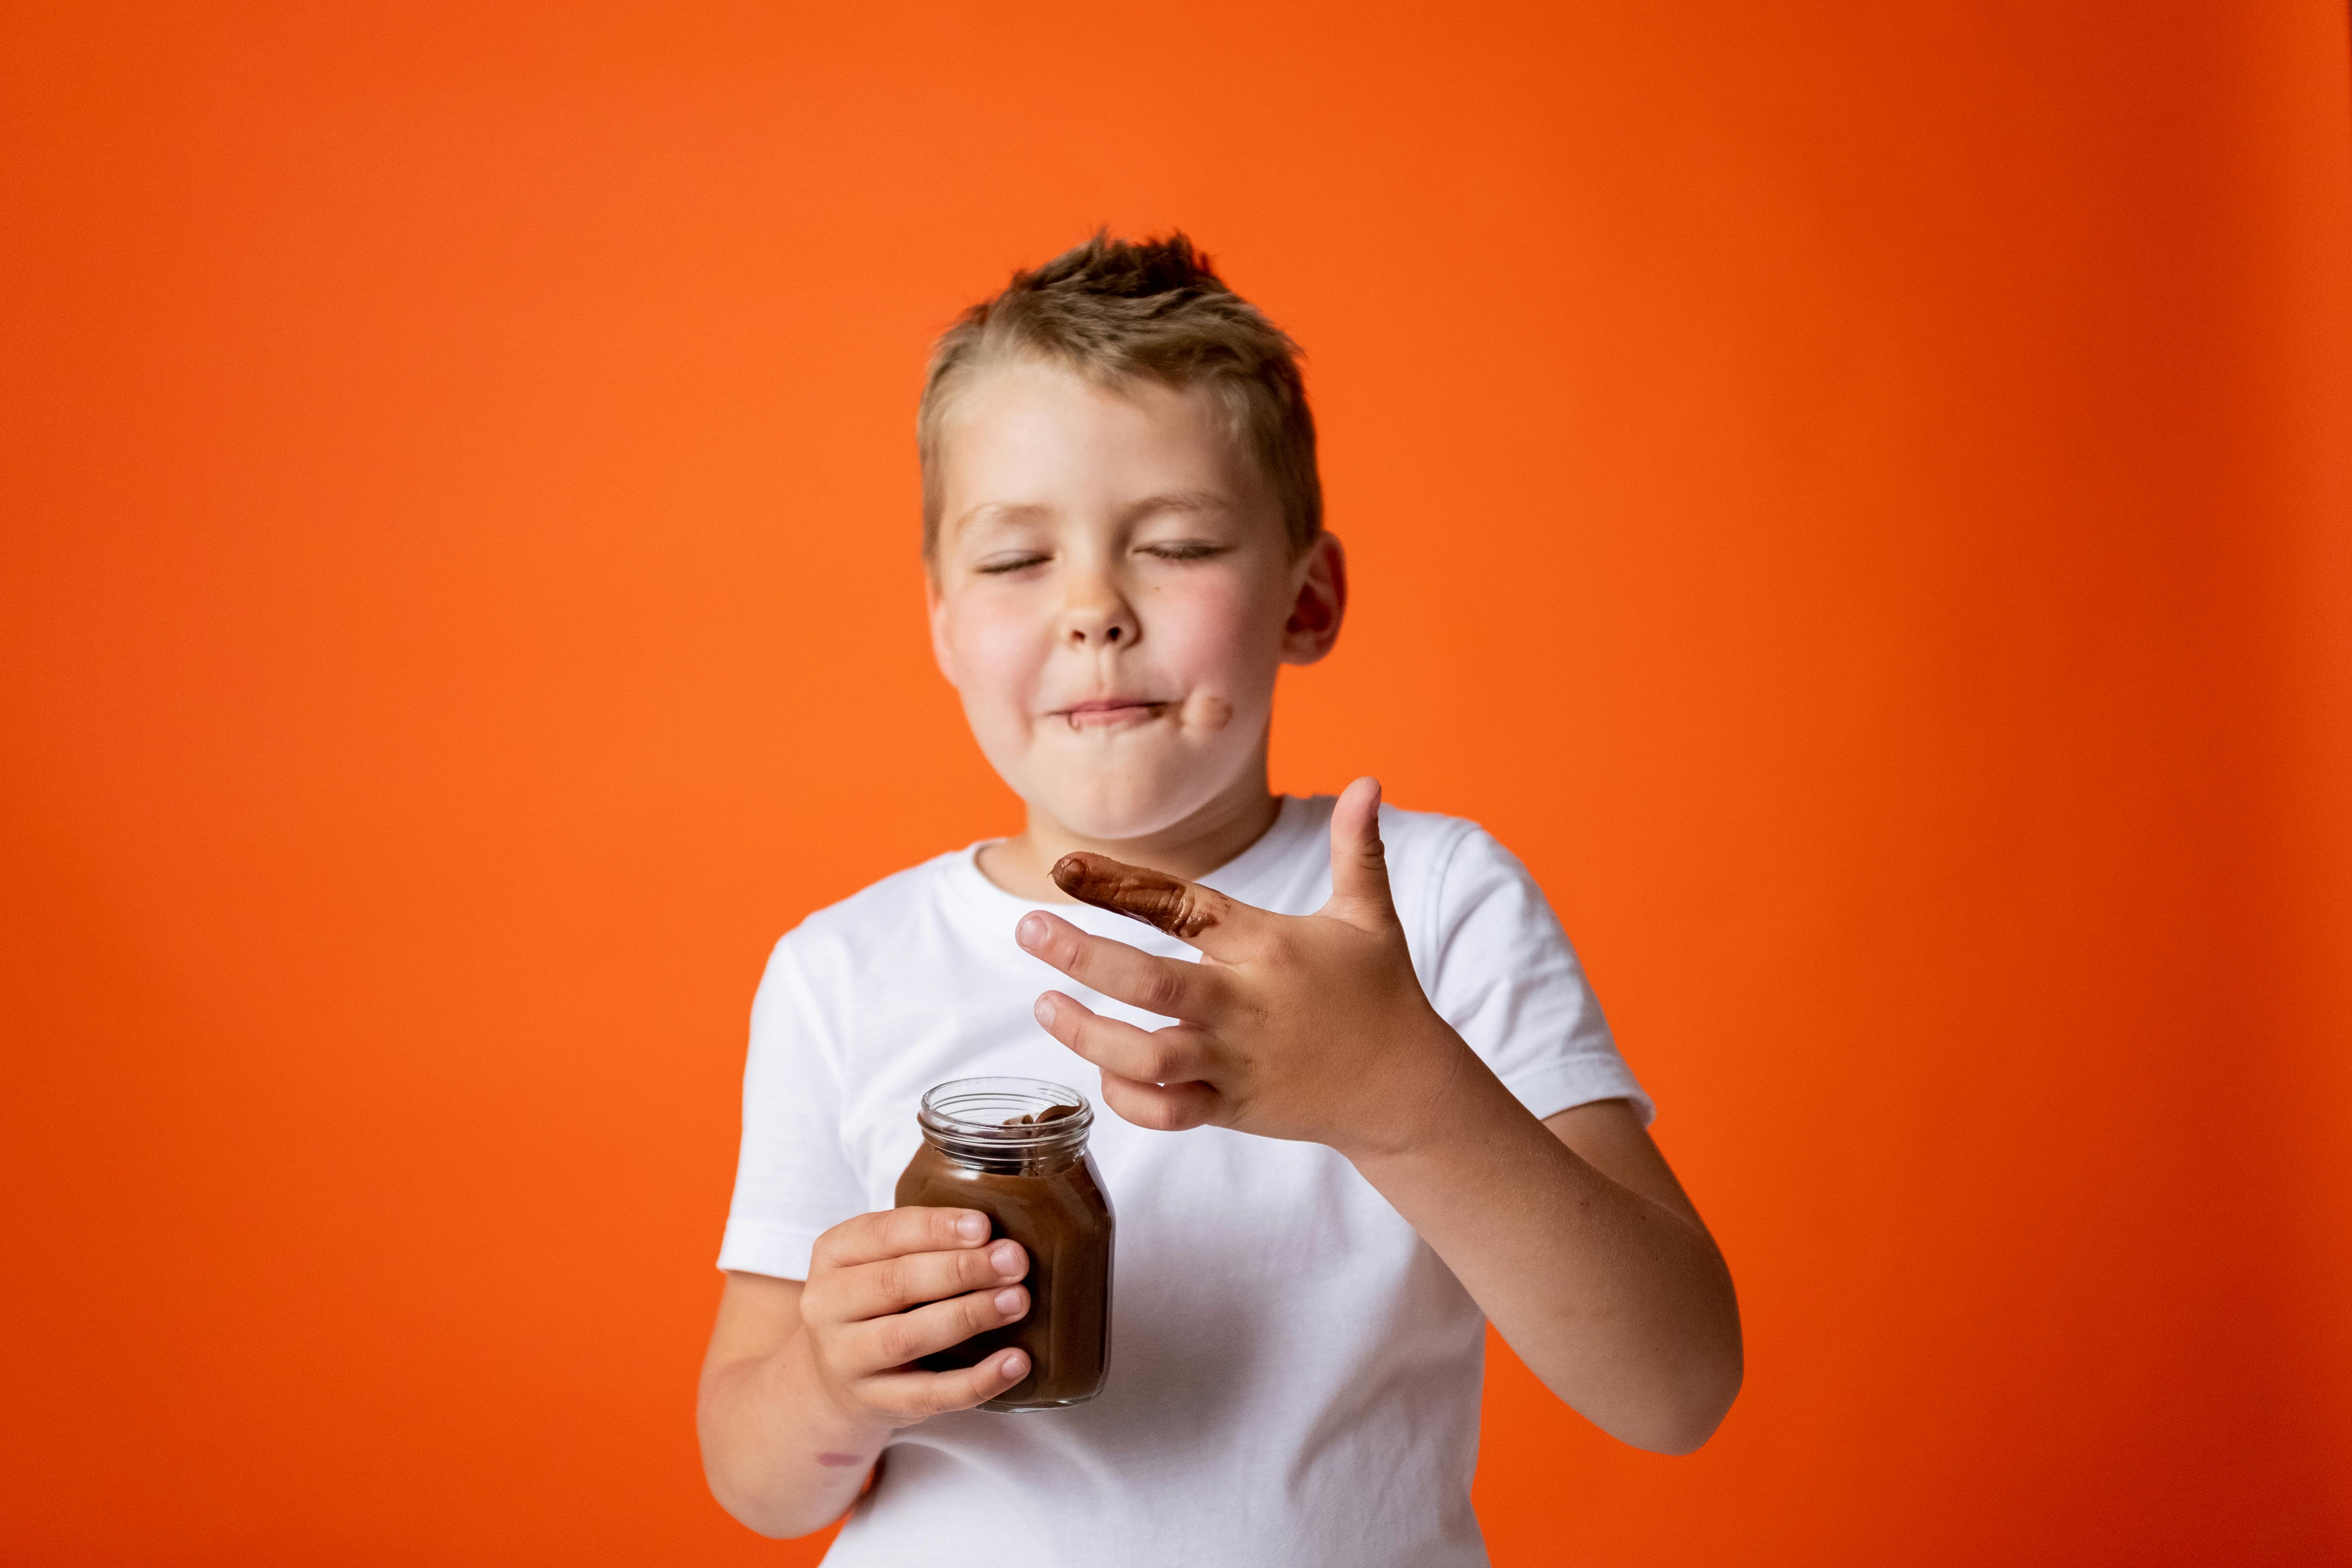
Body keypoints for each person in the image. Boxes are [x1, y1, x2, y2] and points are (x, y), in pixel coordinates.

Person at [697, 232, 1741, 1566]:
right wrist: (826, 1385)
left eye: (1178, 543)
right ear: (944, 624)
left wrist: (1403, 1097)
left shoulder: (1428, 906)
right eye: (1018, 561)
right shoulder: (842, 971)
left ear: (1308, 596)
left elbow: (1677, 1388)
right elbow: (753, 1475)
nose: (1094, 610)